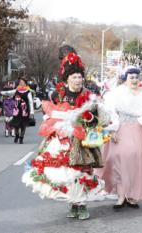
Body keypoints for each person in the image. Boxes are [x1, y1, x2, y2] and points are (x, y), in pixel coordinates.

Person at [22, 52, 105, 220]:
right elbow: (52, 111)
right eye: (74, 77)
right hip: (61, 138)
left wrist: (89, 118)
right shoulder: (57, 94)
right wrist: (53, 120)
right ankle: (72, 203)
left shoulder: (89, 95)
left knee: (81, 172)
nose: (78, 80)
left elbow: (97, 118)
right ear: (67, 79)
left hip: (81, 139)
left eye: (80, 77)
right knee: (65, 172)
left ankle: (81, 204)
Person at [97, 65, 142, 210]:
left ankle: (132, 195)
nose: (134, 80)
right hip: (120, 129)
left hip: (138, 130)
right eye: (131, 77)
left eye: (136, 77)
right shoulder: (116, 93)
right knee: (118, 158)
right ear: (125, 79)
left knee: (135, 161)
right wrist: (111, 130)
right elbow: (109, 112)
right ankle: (120, 195)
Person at [2, 77, 34, 144]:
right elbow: (10, 92)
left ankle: (21, 138)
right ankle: (17, 135)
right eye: (20, 82)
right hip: (17, 110)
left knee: (23, 125)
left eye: (22, 82)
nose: (21, 83)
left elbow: (30, 102)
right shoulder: (17, 90)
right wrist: (2, 92)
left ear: (25, 83)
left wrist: (31, 112)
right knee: (16, 124)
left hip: (25, 111)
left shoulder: (28, 91)